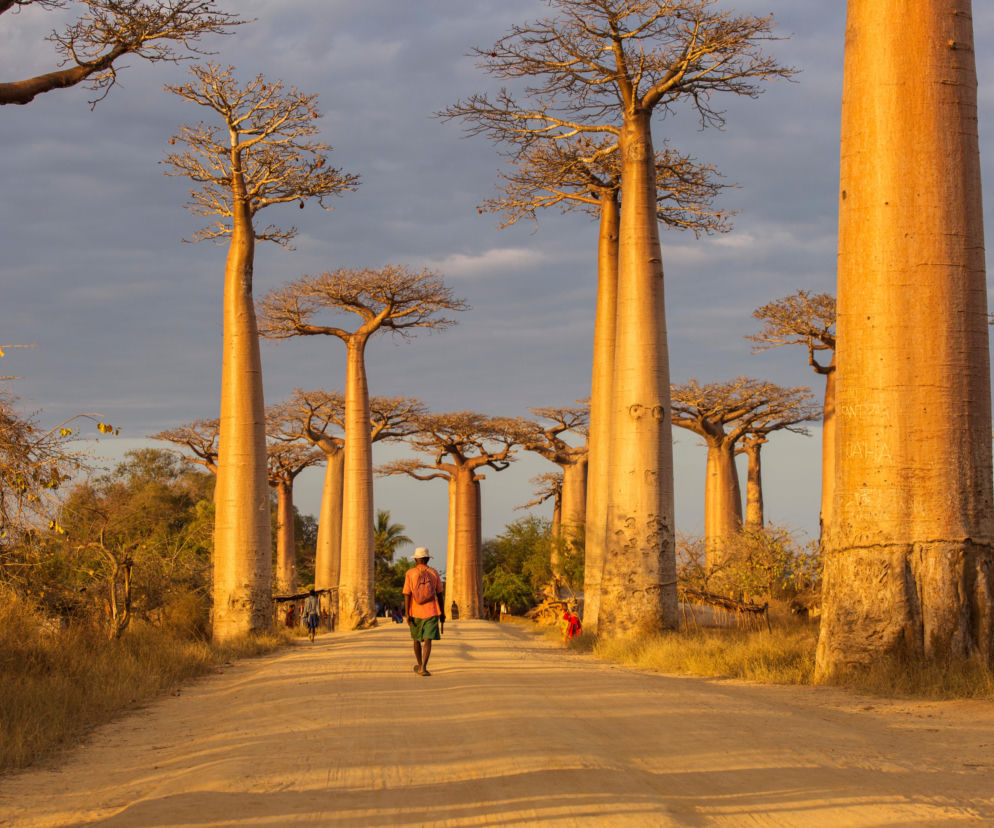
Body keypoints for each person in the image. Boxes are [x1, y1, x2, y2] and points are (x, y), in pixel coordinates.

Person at [403, 546, 444, 677]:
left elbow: (407, 594)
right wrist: (442, 613)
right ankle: (424, 668)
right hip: (432, 610)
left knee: (416, 640)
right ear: (427, 559)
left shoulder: (410, 573)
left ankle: (419, 665)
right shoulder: (434, 573)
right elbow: (440, 594)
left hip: (415, 611)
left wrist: (407, 613)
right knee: (428, 640)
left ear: (416, 560)